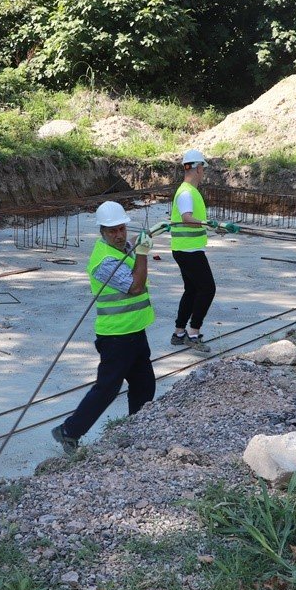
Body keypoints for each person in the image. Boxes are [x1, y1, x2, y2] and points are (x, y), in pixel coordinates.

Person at [52, 201, 156, 454]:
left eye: (121, 229)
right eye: (112, 231)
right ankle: (69, 431)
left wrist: (138, 245)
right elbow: (136, 287)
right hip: (116, 337)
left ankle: (135, 432)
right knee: (108, 388)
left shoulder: (123, 248)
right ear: (102, 232)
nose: (119, 235)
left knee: (144, 385)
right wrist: (142, 253)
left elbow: (131, 254)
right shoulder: (103, 262)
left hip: (135, 331)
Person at [169, 149, 216, 352]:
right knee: (207, 288)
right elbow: (187, 218)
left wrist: (213, 227)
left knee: (192, 290)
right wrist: (209, 224)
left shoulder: (187, 190)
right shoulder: (187, 192)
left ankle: (179, 333)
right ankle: (194, 332)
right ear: (198, 168)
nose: (203, 172)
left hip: (185, 249)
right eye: (202, 168)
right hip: (189, 251)